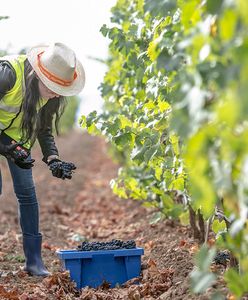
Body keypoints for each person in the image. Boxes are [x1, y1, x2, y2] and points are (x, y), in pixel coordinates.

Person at [0, 42, 85, 276]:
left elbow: (43, 128)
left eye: (60, 89)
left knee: (27, 194)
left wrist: (53, 159)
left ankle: (33, 262)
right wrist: (7, 146)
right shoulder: (7, 74)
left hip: (15, 142)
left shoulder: (50, 96)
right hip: (7, 141)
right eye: (52, 87)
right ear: (36, 75)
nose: (56, 93)